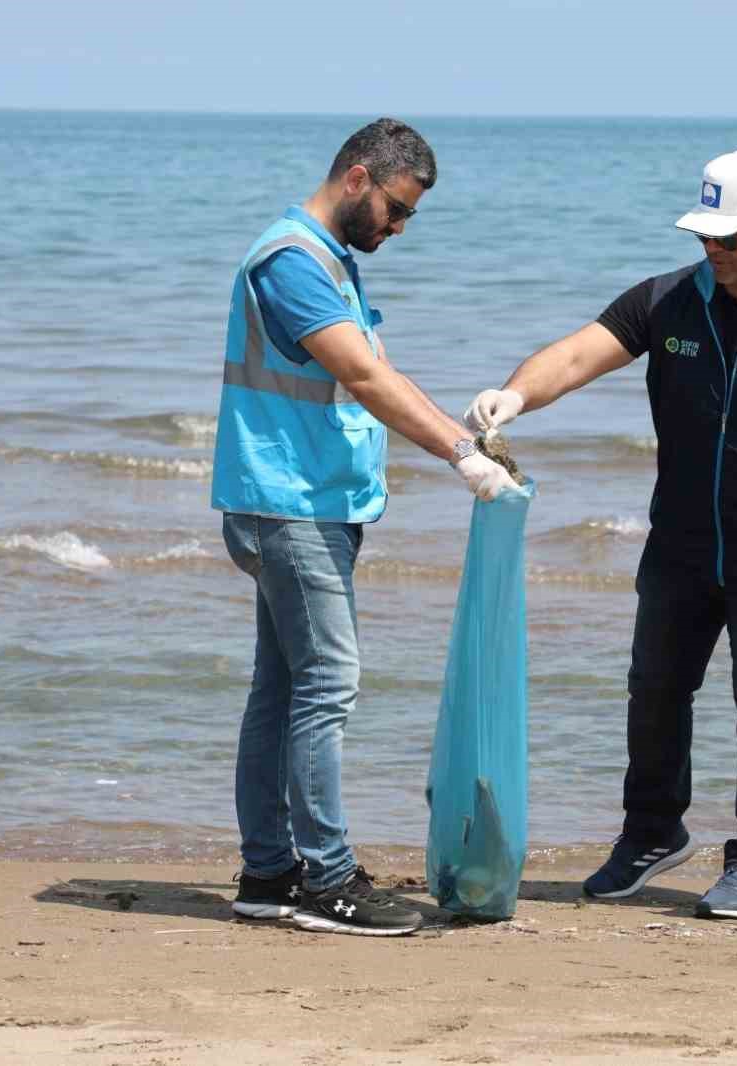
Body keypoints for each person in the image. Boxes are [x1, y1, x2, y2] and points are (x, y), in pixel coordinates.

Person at [464, 150, 737, 918]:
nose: (712, 250)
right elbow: (577, 353)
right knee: (655, 693)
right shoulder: (667, 302)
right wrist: (516, 395)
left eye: (727, 237)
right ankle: (652, 833)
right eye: (704, 236)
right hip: (681, 546)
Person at [211, 118, 518, 937]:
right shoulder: (290, 261)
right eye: (396, 208)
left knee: (282, 688)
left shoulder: (328, 261)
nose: (400, 227)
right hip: (289, 507)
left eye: (409, 215)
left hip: (303, 503)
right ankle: (328, 879)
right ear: (357, 179)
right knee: (328, 683)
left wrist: (464, 435)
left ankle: (269, 872)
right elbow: (362, 376)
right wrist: (458, 456)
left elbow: (378, 371)